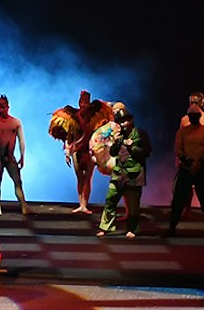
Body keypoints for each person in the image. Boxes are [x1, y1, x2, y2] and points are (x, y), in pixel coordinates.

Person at [48, 90, 111, 214]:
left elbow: (100, 133)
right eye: (82, 102)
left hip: (90, 150)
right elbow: (68, 136)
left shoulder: (95, 116)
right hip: (76, 150)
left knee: (88, 178)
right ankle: (80, 204)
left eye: (86, 103)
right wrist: (67, 152)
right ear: (79, 102)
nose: (84, 105)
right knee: (80, 178)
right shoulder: (73, 116)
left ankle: (84, 205)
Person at [95, 103, 151, 238]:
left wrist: (132, 147)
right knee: (110, 200)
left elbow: (146, 152)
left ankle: (132, 229)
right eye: (120, 122)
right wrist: (116, 143)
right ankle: (105, 227)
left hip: (134, 174)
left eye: (125, 121)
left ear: (131, 120)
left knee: (133, 206)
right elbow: (113, 153)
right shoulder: (119, 136)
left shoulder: (139, 134)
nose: (123, 124)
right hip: (119, 174)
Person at [167, 95, 204, 238]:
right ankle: (172, 228)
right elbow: (178, 148)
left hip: (201, 168)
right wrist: (188, 162)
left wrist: (201, 162)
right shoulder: (183, 129)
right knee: (178, 199)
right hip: (186, 168)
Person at [0, 94, 28, 215]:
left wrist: (22, 156)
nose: (1, 109)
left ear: (8, 107)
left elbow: (21, 140)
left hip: (10, 156)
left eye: (3, 106)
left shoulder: (15, 122)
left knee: (17, 181)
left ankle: (23, 205)